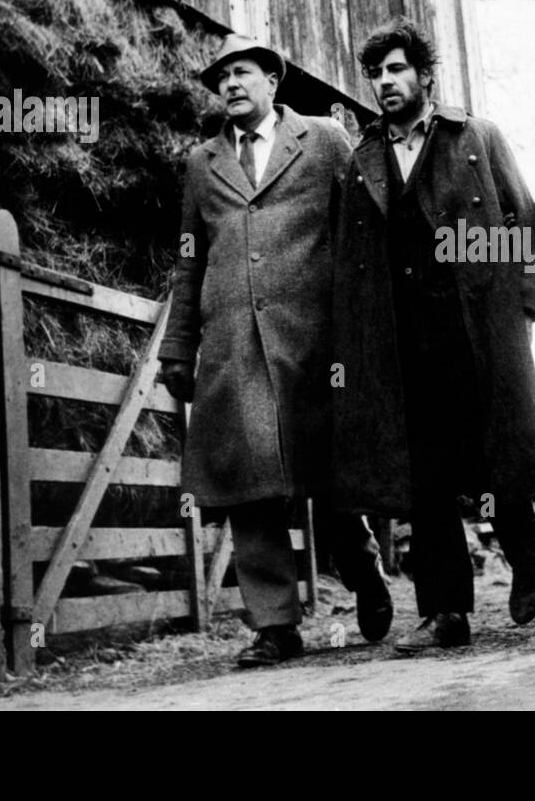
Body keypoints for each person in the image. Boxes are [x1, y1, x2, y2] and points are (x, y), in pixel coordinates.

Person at [159, 34, 392, 666]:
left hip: (317, 342)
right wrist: (179, 346)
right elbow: (189, 258)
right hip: (234, 347)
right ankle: (275, 625)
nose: (231, 84)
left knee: (328, 474)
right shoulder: (200, 162)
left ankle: (362, 567)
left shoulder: (324, 140)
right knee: (249, 486)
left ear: (272, 81)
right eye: (222, 77)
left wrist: (365, 330)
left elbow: (362, 235)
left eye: (243, 73)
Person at [331, 17, 535, 653]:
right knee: (423, 476)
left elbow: (522, 223)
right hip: (403, 343)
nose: (385, 82)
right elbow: (352, 259)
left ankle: (524, 551)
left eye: (397, 69)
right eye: (376, 73)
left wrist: (521, 311)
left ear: (425, 75)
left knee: (492, 454)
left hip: (474, 327)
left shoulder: (475, 137)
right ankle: (446, 611)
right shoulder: (363, 160)